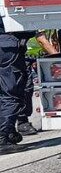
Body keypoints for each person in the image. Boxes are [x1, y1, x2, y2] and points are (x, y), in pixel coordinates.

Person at [0, 22, 55, 153]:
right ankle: (2, 138)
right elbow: (32, 32)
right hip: (8, 49)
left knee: (4, 93)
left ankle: (9, 132)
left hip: (6, 47)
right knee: (12, 94)